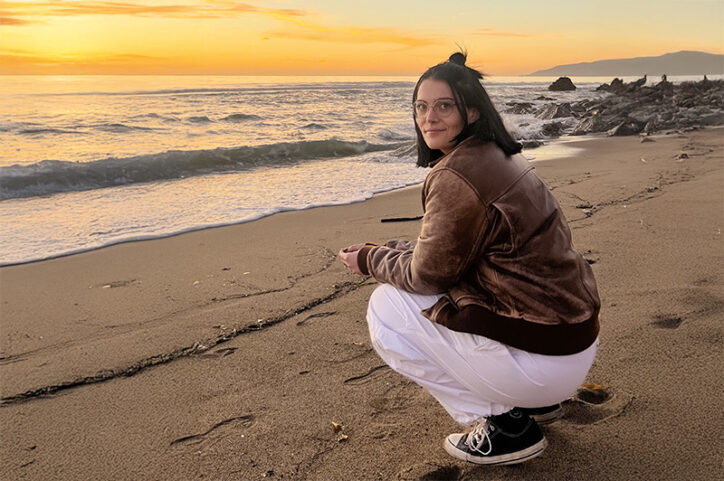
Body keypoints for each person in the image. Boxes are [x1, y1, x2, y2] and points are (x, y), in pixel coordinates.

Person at [338, 52, 600, 466]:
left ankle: (503, 424)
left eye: (444, 106)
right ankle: (531, 405)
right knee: (425, 296)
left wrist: (370, 261)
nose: (429, 117)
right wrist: (386, 250)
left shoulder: (456, 175)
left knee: (386, 308)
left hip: (543, 361)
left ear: (472, 111)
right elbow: (453, 251)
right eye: (421, 106)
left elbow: (427, 276)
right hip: (571, 342)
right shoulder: (499, 153)